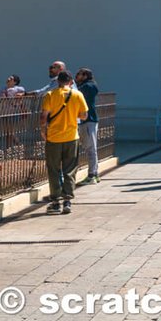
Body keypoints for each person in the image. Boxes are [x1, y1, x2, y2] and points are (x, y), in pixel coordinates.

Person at [40, 69, 90, 214]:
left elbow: (44, 117)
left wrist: (43, 131)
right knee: (70, 169)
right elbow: (84, 115)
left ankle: (55, 202)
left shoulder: (50, 95)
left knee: (54, 169)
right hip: (71, 137)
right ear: (71, 81)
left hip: (54, 138)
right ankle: (67, 200)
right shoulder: (77, 94)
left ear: (58, 81)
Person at [76, 67, 101, 184]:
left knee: (90, 148)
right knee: (91, 148)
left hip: (88, 120)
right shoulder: (91, 85)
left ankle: (92, 175)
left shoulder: (87, 86)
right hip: (88, 120)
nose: (77, 77)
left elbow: (76, 93)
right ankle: (94, 173)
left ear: (85, 75)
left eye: (79, 74)